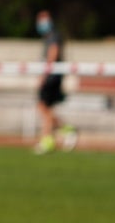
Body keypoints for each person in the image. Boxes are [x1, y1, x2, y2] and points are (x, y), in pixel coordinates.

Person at [34, 9, 77, 154]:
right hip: (52, 76)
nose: (40, 23)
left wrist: (44, 76)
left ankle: (52, 137)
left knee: (42, 106)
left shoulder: (53, 36)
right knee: (47, 109)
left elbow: (53, 54)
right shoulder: (49, 36)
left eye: (43, 19)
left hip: (52, 77)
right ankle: (59, 133)